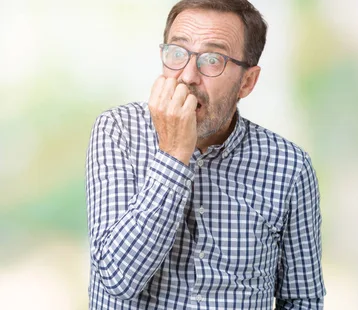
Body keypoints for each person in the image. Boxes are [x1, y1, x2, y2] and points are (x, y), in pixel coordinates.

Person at [84, 0, 325, 308]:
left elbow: (302, 299)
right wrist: (173, 156)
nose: (187, 76)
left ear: (247, 82)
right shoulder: (117, 131)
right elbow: (117, 279)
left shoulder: (291, 167)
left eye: (212, 59)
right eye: (176, 52)